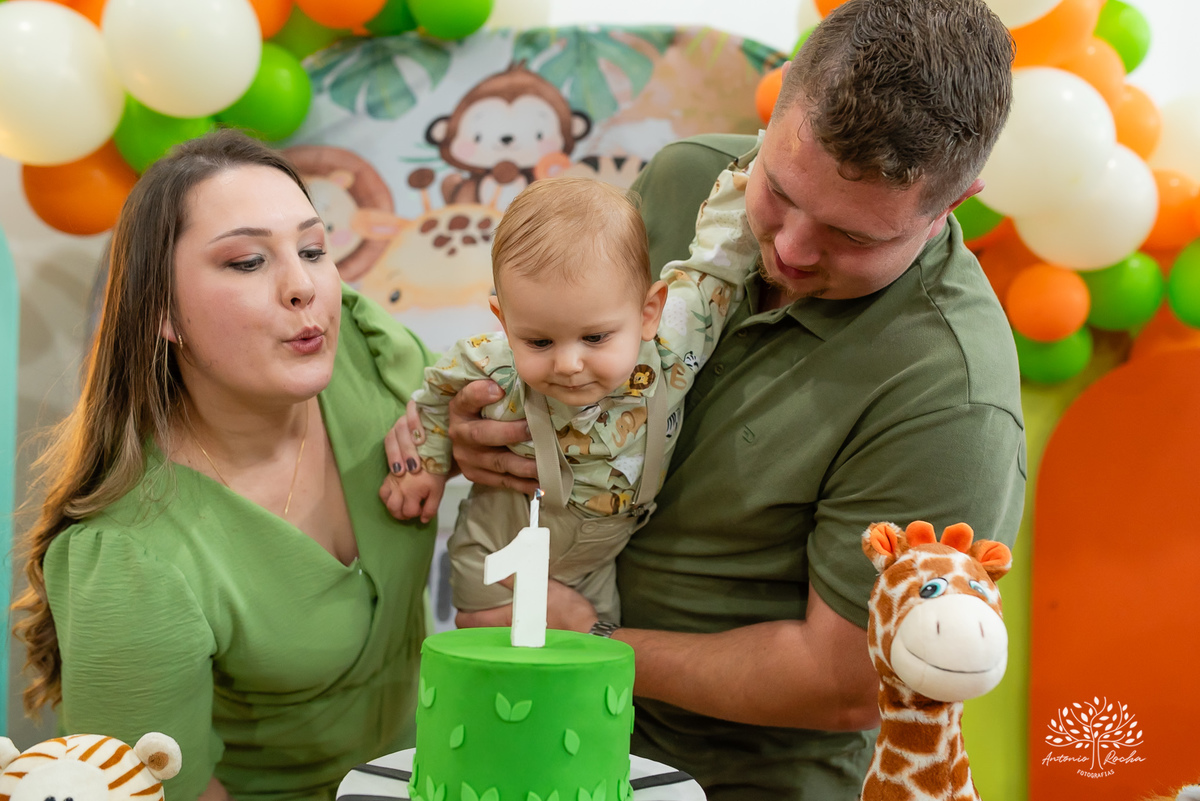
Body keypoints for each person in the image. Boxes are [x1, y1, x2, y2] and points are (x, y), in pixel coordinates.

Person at [392, 1, 1027, 798]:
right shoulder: (688, 176)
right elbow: (560, 338)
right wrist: (488, 419)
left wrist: (591, 638)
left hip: (739, 776)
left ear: (954, 202)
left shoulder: (950, 392)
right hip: (546, 730)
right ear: (780, 108)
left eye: (853, 237)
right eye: (780, 188)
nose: (789, 248)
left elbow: (844, 681)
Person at [12, 129, 439, 801]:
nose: (303, 287)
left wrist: (461, 440)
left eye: (312, 248)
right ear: (162, 312)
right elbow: (157, 792)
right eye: (246, 261)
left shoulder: (370, 352)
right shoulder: (129, 557)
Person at [388, 175, 758, 623]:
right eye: (539, 342)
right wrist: (427, 463)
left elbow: (718, 263)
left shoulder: (672, 345)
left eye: (594, 337)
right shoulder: (490, 362)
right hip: (499, 543)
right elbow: (433, 395)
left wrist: (754, 170)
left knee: (591, 670)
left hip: (596, 566)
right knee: (489, 651)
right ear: (504, 321)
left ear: (648, 313)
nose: (567, 364)